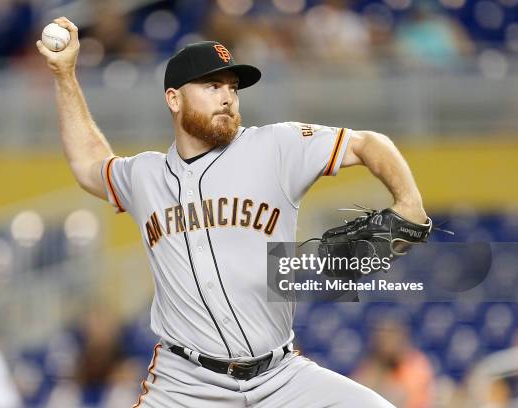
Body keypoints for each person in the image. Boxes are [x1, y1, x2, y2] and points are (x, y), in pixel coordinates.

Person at [36, 16, 429, 407]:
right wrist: (65, 75)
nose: (227, 96)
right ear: (174, 99)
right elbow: (89, 166)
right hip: (185, 386)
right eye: (211, 86)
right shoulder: (144, 175)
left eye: (232, 87)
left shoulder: (275, 146)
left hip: (281, 378)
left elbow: (367, 144)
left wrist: (408, 203)